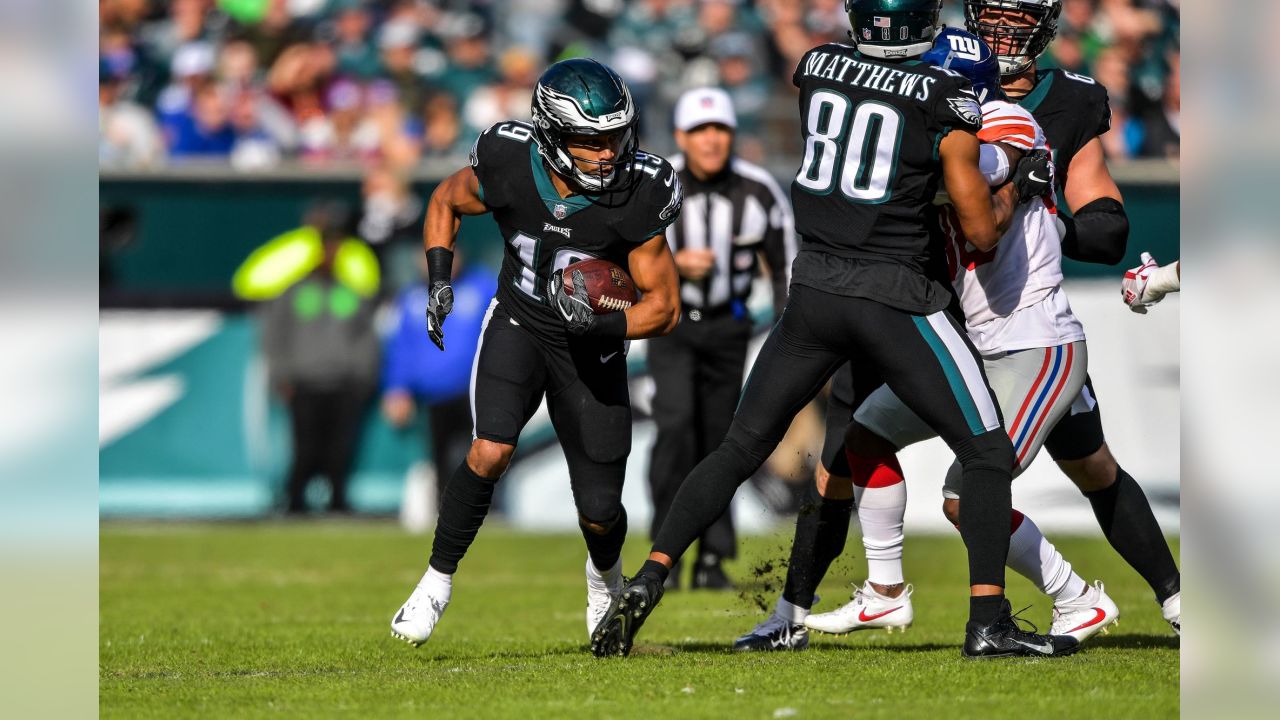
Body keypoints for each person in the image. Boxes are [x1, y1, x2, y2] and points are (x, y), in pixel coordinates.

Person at [592, 1, 1078, 660]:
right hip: (894, 297)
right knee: (987, 453)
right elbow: (981, 228)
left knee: (738, 448)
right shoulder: (946, 97)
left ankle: (648, 581)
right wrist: (1018, 179)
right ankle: (987, 621)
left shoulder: (817, 67)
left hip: (814, 289)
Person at [747, 29, 1118, 650]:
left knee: (967, 488)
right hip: (975, 337)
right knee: (861, 438)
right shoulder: (946, 124)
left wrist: (938, 179)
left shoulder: (1006, 125)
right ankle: (885, 594)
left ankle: (1076, 597)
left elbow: (986, 231)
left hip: (1034, 342)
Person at [390, 58, 683, 648]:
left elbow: (664, 307)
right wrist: (440, 276)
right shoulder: (506, 158)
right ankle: (434, 581)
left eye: (616, 137)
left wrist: (602, 327)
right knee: (490, 450)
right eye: (591, 141)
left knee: (600, 510)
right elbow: (446, 200)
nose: (608, 153)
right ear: (551, 134)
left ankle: (604, 579)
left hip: (593, 349)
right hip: (520, 322)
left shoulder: (641, 190)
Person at [965, 0, 1181, 634]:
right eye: (991, 15)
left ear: (1046, 26)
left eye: (1017, 17)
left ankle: (1170, 598)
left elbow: (1107, 227)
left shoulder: (1070, 101)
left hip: (1024, 320)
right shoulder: (941, 81)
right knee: (854, 441)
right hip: (941, 309)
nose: (1002, 32)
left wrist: (1046, 211)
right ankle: (844, 595)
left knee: (1091, 465)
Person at [647, 87, 796, 592]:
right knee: (674, 430)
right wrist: (672, 265)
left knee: (720, 443)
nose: (711, 141)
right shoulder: (655, 183)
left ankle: (713, 558)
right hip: (670, 324)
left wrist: (788, 335)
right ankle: (660, 555)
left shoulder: (756, 189)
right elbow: (621, 255)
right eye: (700, 131)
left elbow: (785, 267)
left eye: (720, 130)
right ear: (681, 137)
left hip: (728, 327)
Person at [259, 205, 382, 514]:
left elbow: (366, 338)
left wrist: (362, 376)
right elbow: (275, 337)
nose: (330, 254)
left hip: (343, 383)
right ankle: (295, 501)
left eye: (335, 248)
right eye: (325, 248)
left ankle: (337, 501)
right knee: (305, 448)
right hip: (305, 382)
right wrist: (281, 375)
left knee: (340, 449)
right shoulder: (292, 293)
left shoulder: (352, 293)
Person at [381, 250, 497, 510]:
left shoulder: (483, 287)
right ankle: (447, 513)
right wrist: (396, 388)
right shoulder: (410, 298)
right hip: (433, 397)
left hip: (479, 393)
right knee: (440, 458)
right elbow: (400, 347)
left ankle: (489, 509)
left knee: (487, 454)